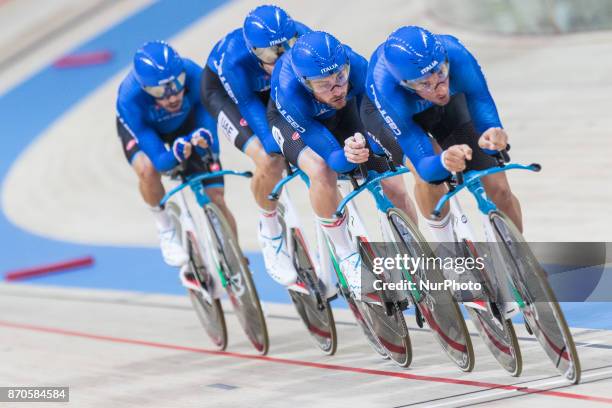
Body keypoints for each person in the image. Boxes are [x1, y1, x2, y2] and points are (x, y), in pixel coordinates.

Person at [267, 31, 417, 300]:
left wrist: (370, 146)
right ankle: (345, 253)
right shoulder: (290, 91)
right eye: (324, 84)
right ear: (305, 82)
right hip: (297, 123)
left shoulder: (357, 67)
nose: (337, 88)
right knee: (322, 171)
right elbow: (333, 156)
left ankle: (411, 249)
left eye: (339, 77)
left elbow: (378, 119)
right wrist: (347, 155)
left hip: (346, 113)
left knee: (394, 181)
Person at [363, 25, 522, 244]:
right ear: (406, 84)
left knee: (499, 187)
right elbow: (424, 163)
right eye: (425, 83)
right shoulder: (386, 87)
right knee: (431, 178)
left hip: (442, 108)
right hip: (393, 117)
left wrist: (492, 133)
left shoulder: (455, 52)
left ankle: (523, 263)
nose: (439, 88)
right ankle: (447, 247)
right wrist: (444, 160)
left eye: (441, 74)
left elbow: (481, 101)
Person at [201, 5, 310, 287]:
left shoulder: (304, 38)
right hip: (231, 97)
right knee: (270, 158)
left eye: (288, 47)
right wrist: (281, 146)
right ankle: (269, 230)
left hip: (271, 93)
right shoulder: (234, 61)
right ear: (253, 51)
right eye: (270, 54)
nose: (282, 57)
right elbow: (250, 107)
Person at [116, 41, 235, 267]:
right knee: (147, 169)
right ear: (145, 89)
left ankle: (235, 262)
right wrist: (177, 154)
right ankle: (165, 227)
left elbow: (209, 132)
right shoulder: (128, 98)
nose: (172, 97)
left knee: (217, 198)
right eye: (160, 91)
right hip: (148, 133)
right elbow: (161, 162)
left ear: (183, 75)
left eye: (177, 84)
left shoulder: (193, 73)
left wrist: (205, 144)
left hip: (187, 122)